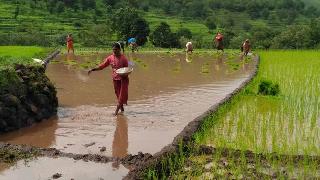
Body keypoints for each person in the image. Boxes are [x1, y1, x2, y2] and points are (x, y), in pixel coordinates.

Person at [88, 42, 129, 116]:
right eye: (113, 50)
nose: (114, 51)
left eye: (116, 49)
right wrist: (93, 69)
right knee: (118, 95)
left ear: (119, 49)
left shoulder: (124, 59)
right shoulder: (110, 58)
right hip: (115, 79)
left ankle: (116, 113)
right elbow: (102, 66)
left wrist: (125, 74)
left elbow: (127, 70)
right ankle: (122, 110)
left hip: (123, 80)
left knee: (121, 96)